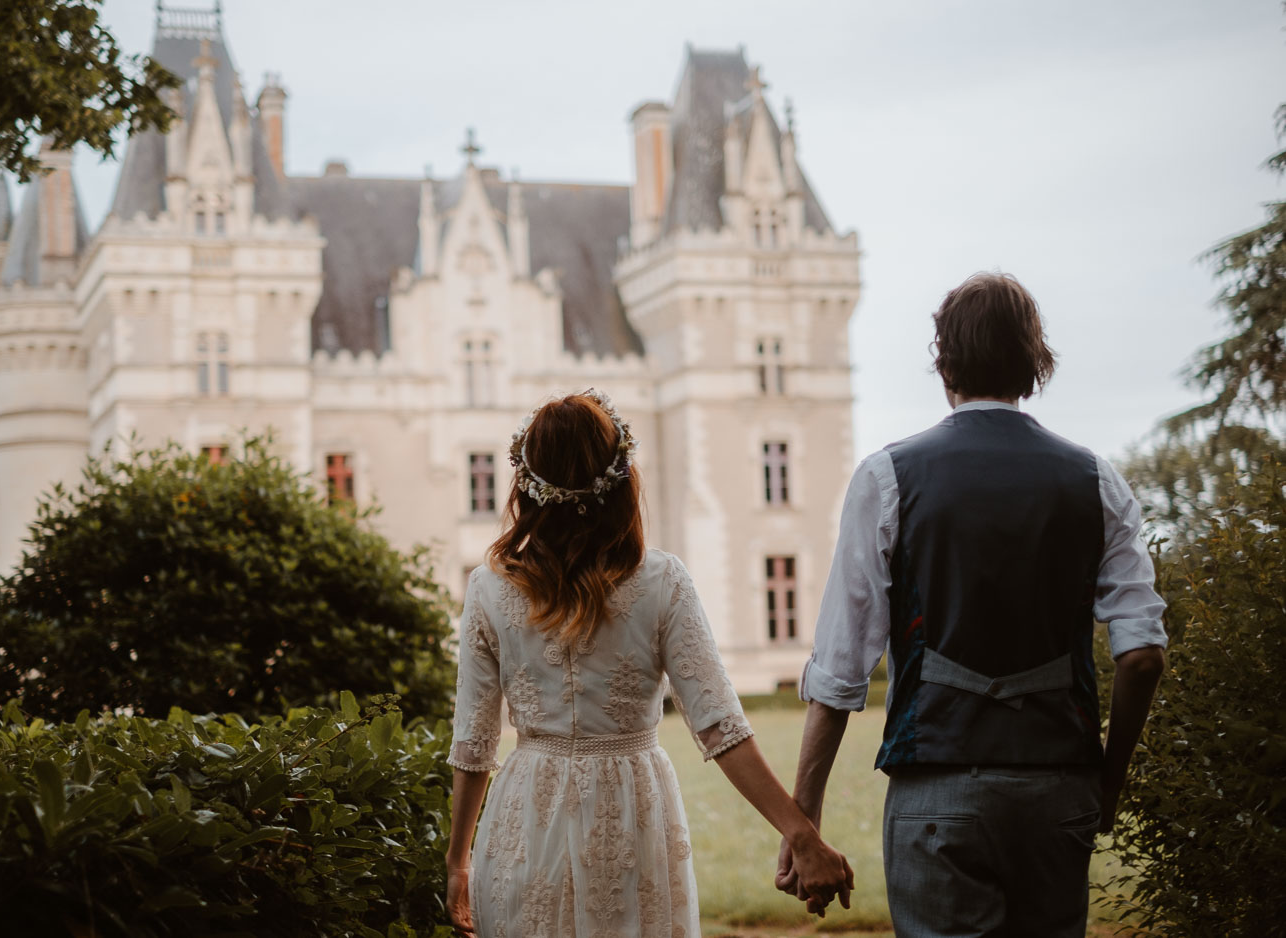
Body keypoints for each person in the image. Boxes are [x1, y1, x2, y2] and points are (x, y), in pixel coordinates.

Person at [778, 273, 1168, 937]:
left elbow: (842, 670)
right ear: (1035, 362)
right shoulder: (1096, 480)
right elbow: (1141, 660)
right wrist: (1107, 780)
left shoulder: (887, 477)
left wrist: (803, 823)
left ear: (944, 361)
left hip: (938, 791)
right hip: (1058, 785)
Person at [445, 389, 853, 937]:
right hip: (630, 803)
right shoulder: (663, 581)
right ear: (620, 480)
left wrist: (458, 862)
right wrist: (802, 837)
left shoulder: (488, 587)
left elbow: (474, 744)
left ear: (526, 482)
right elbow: (719, 726)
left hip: (525, 811)